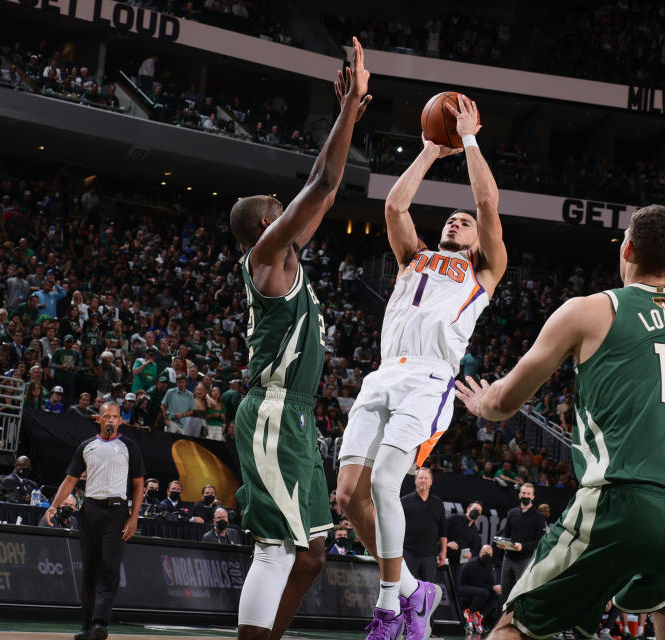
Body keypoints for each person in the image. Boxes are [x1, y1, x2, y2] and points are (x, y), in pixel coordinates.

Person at [454, 205, 665, 640]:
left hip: (625, 501)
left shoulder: (590, 310)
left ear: (628, 248)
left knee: (517, 622)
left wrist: (479, 404)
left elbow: (506, 402)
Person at [336, 92, 507, 640]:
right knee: (347, 497)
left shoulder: (483, 270)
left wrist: (471, 139)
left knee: (388, 479)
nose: (458, 220)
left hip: (430, 377)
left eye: (464, 221)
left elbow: (486, 205)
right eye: (451, 218)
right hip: (383, 373)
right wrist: (431, 151)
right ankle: (415, 590)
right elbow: (394, 207)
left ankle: (389, 607)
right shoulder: (415, 256)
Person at [226, 36, 371, 640]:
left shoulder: (287, 257)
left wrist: (354, 113)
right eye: (275, 203)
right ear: (266, 221)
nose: (284, 204)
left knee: (312, 555)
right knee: (274, 551)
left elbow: (330, 189)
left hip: (301, 418)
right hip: (274, 411)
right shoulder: (266, 255)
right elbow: (322, 177)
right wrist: (347, 107)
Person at [43, 400, 144, 640]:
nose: (111, 420)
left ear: (121, 420)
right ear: (98, 419)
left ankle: (100, 624)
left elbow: (139, 485)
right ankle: (87, 626)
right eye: (106, 416)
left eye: (116, 416)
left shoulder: (130, 447)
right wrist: (54, 505)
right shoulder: (86, 446)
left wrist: (134, 517)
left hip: (117, 511)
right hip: (90, 510)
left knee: (109, 568)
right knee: (89, 570)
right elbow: (70, 479)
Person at [498, 483, 547, 604]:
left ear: (533, 497)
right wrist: (503, 542)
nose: (526, 496)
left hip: (524, 560)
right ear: (519, 494)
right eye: (524, 493)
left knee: (520, 594)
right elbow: (506, 532)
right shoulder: (513, 513)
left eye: (528, 494)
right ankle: (501, 622)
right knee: (505, 595)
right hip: (508, 559)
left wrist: (523, 547)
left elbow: (539, 541)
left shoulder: (538, 517)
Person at [400, 467, 447, 583]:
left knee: (428, 590)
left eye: (426, 478)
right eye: (420, 478)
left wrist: (444, 551)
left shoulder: (438, 503)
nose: (423, 481)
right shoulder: (404, 501)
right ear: (415, 481)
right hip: (408, 553)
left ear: (431, 482)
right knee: (406, 588)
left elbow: (443, 530)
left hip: (430, 555)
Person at [460, 545, 501, 636]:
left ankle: (479, 616)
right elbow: (476, 583)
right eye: (486, 553)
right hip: (464, 587)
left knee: (495, 594)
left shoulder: (488, 565)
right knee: (484, 592)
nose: (488, 556)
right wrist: (493, 587)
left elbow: (490, 582)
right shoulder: (472, 564)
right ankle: (469, 614)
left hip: (478, 588)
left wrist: (495, 588)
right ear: (480, 552)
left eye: (490, 554)